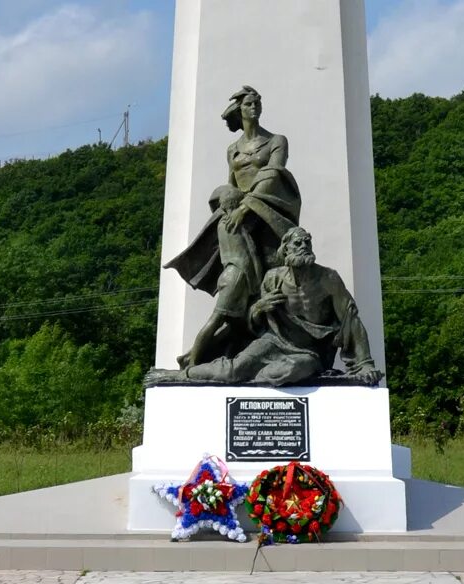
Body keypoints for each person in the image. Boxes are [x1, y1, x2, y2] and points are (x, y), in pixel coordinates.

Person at [165, 86, 303, 367]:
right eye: (250, 104)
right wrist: (231, 206)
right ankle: (216, 352)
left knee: (271, 279)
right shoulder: (233, 149)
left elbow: (273, 175)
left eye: (258, 103)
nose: (255, 108)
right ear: (240, 111)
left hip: (266, 217)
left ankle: (278, 342)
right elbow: (230, 184)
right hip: (236, 220)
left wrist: (246, 207)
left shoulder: (277, 140)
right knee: (239, 285)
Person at [148, 227, 383, 387]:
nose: (304, 246)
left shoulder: (328, 278)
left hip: (308, 352)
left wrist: (365, 365)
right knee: (233, 369)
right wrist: (258, 308)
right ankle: (179, 375)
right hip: (274, 342)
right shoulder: (273, 278)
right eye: (298, 243)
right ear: (286, 250)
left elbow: (350, 318)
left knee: (283, 372)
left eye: (307, 242)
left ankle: (260, 375)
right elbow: (254, 322)